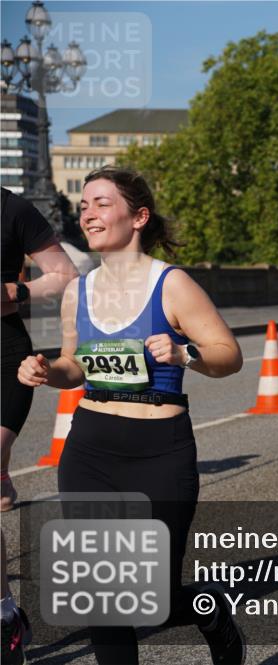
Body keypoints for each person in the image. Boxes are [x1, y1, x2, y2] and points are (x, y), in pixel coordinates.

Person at [17, 167, 244, 664]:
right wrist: (45, 369)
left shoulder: (172, 284)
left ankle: (209, 611)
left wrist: (185, 355)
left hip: (159, 451)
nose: (88, 213)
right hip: (91, 447)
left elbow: (229, 355)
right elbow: (75, 366)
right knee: (105, 602)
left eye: (101, 203)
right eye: (84, 205)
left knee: (152, 596)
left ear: (138, 217)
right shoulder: (79, 291)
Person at [2, 188, 77, 663]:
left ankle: (4, 616)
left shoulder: (10, 209)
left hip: (4, 360)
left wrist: (17, 291)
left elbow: (65, 275)